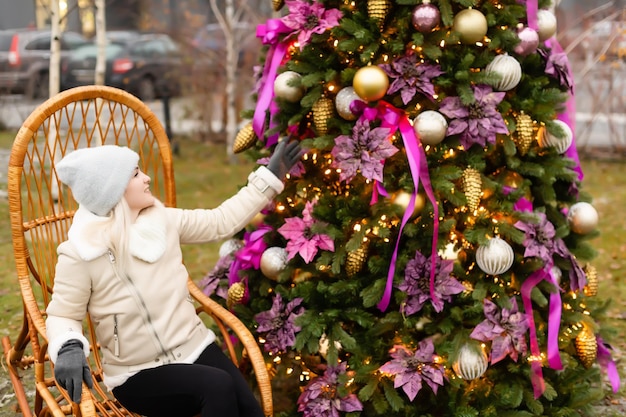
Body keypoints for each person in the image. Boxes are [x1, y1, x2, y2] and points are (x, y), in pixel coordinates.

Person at [46, 140, 302, 417]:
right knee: (217, 387)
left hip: (194, 347)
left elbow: (220, 221)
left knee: (249, 409)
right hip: (138, 373)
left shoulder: (162, 220)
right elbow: (63, 314)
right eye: (134, 174)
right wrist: (69, 345)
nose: (146, 178)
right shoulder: (81, 252)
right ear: (113, 192)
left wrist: (268, 178)